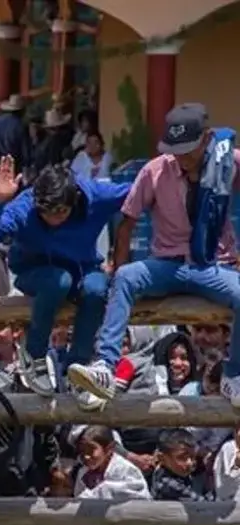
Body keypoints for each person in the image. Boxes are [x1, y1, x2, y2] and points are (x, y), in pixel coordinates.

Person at [69, 103, 240, 406]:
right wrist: (119, 271)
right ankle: (105, 368)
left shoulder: (229, 162)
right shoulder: (155, 170)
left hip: (213, 265)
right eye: (176, 149)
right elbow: (127, 224)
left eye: (188, 149)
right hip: (166, 263)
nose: (182, 157)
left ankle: (234, 375)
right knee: (124, 277)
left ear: (206, 138)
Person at [0, 158, 130, 396]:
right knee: (59, 281)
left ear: (74, 201)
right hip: (35, 272)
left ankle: (78, 366)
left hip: (82, 269)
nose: (53, 218)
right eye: (46, 212)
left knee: (97, 288)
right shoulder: (24, 207)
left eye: (60, 212)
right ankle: (34, 354)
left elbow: (139, 191)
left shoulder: (96, 196)